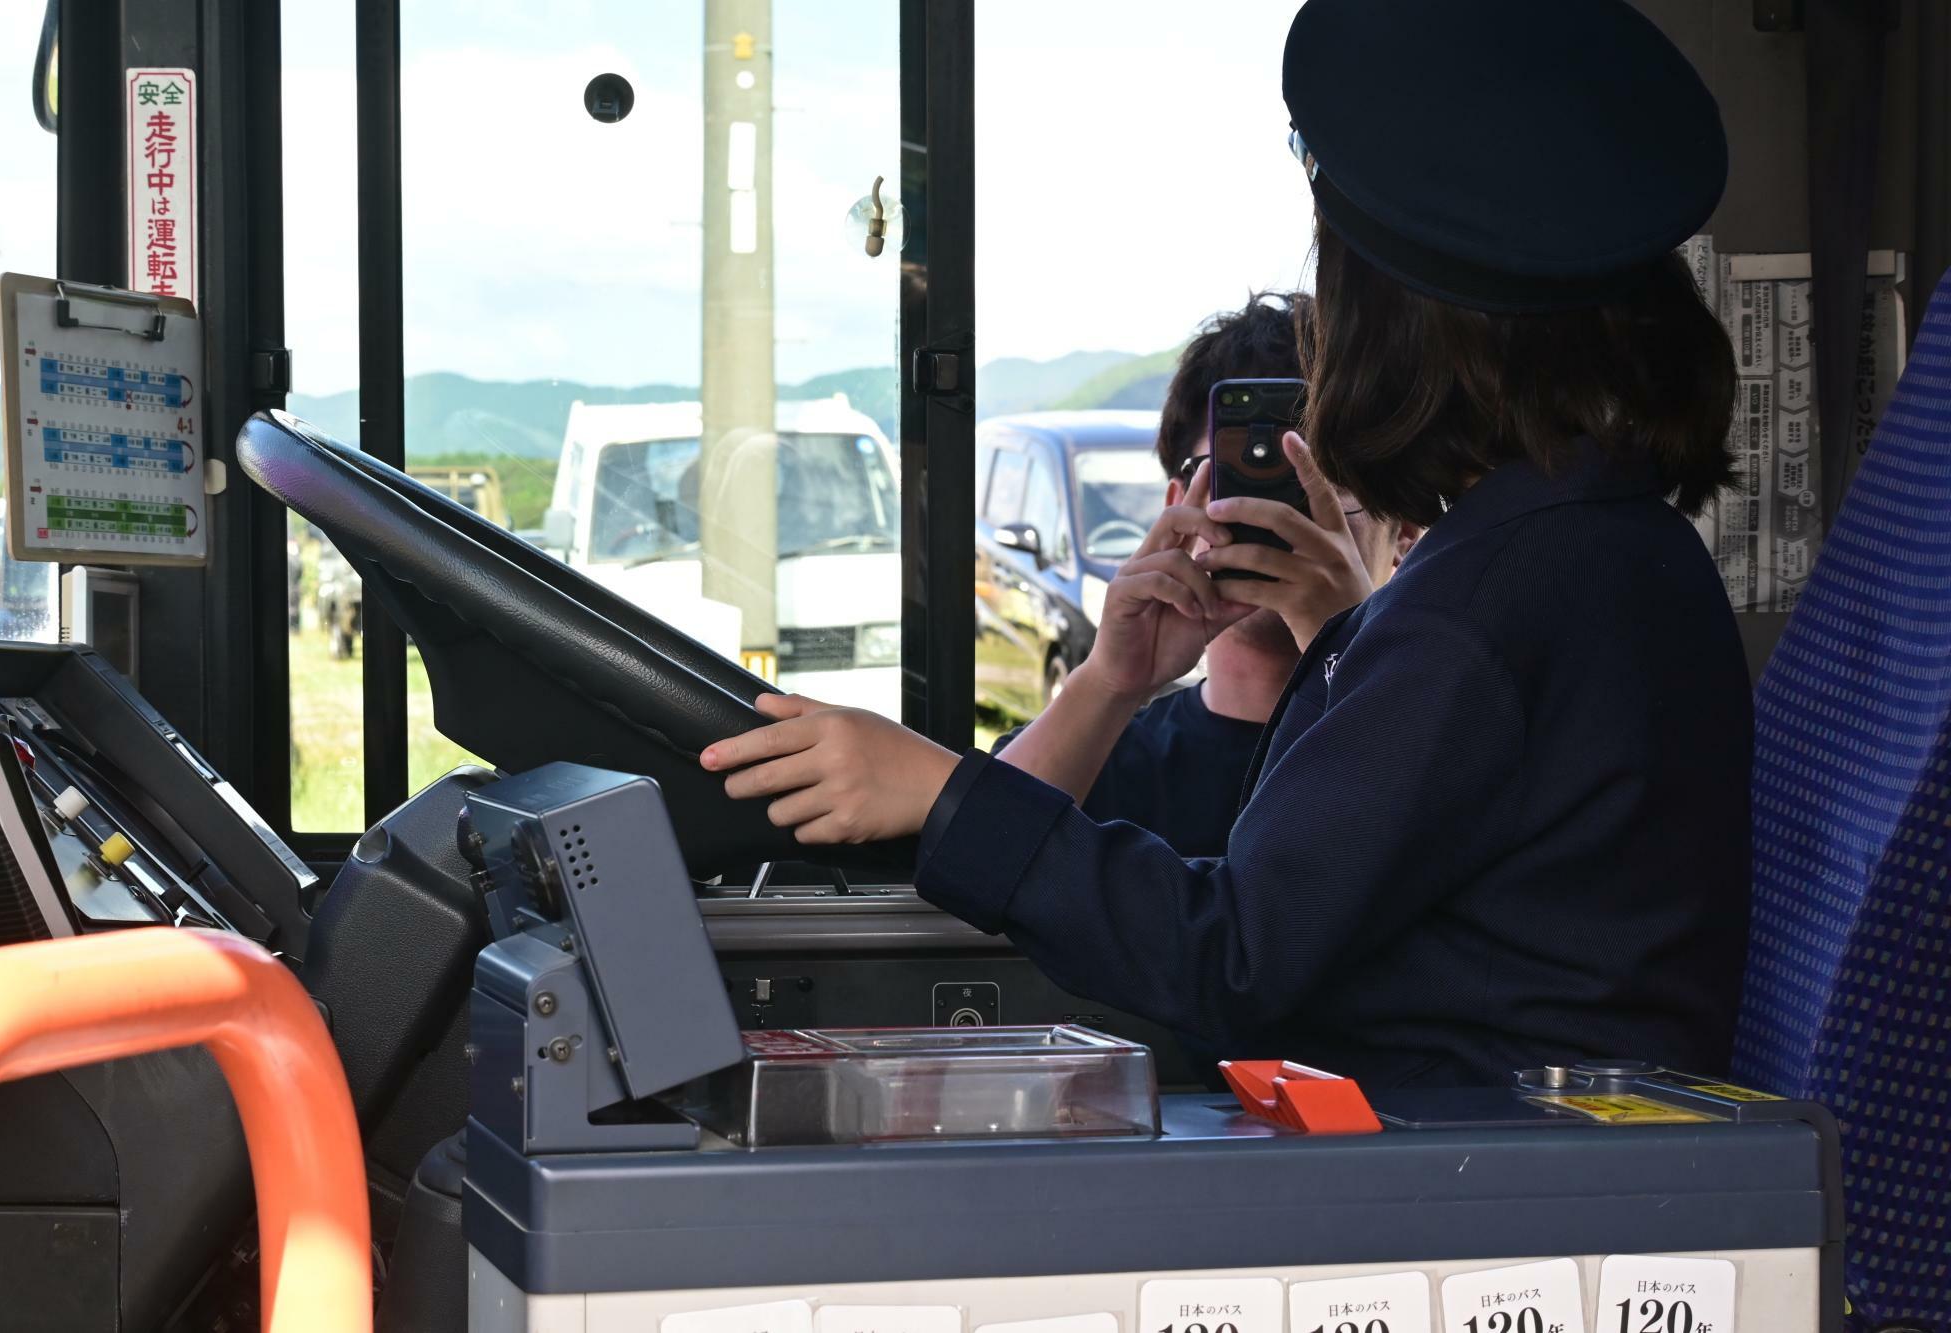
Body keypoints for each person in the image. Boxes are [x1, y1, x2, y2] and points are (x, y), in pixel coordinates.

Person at [702, 0, 1751, 1089]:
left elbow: (1233, 951)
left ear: (1393, 327)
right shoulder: (1611, 551)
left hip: (1469, 1183)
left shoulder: (1482, 608)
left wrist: (936, 790)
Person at [993, 292, 1415, 858]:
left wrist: (1344, 651)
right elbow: (979, 858)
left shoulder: (1446, 752)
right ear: (1178, 510)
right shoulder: (1095, 752)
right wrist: (1110, 681)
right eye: (1249, 464)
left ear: (1405, 531)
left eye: (1323, 471)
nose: (1282, 509)